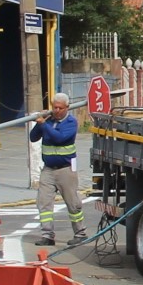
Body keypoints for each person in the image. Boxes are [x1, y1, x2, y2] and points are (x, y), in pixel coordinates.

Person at [30, 90, 85, 244]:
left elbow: (59, 138)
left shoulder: (71, 122)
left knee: (73, 203)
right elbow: (33, 137)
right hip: (48, 169)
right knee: (44, 202)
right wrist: (39, 123)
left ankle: (80, 233)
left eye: (60, 108)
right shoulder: (48, 121)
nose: (57, 111)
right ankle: (47, 235)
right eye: (54, 107)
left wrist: (44, 125)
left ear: (67, 108)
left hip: (65, 169)